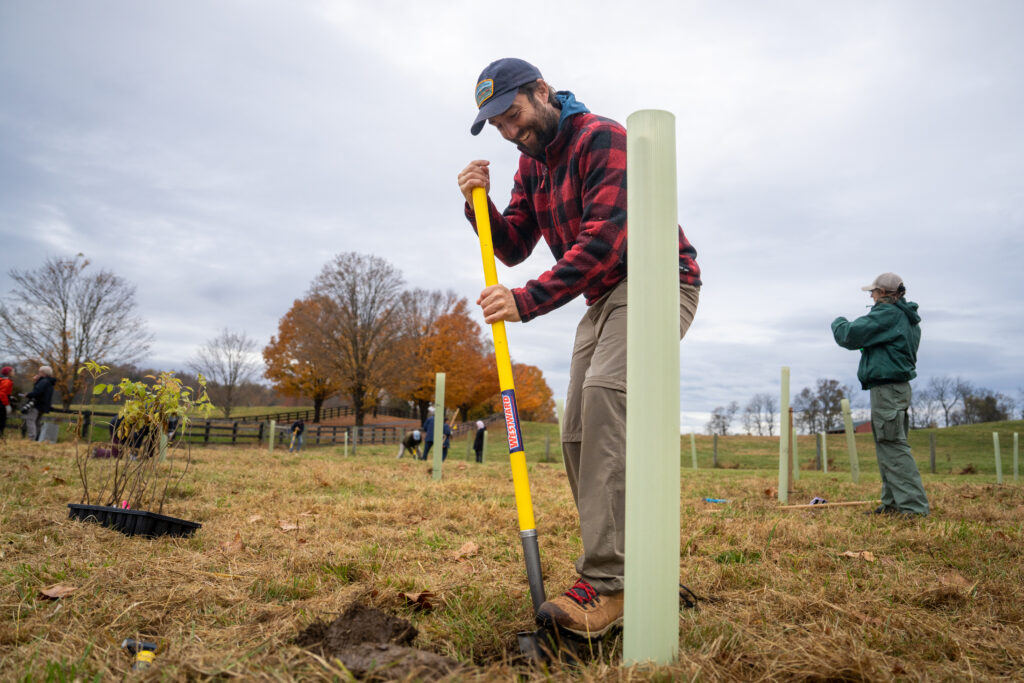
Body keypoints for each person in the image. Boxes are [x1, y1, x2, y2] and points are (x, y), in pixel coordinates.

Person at [457, 58, 701, 638]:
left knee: (603, 397)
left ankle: (612, 584)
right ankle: (632, 566)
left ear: (541, 91)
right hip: (603, 298)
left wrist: (526, 301)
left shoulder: (602, 138)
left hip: (658, 281)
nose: (512, 132)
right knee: (576, 429)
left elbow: (603, 241)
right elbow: (514, 245)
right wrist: (478, 206)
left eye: (514, 115)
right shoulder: (531, 166)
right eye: (499, 128)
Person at [832, 272, 929, 517]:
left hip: (888, 389)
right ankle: (893, 503)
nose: (871, 297)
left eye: (873, 292)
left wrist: (838, 321)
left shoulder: (887, 314)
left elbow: (849, 335)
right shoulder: (905, 318)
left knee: (892, 445)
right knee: (887, 445)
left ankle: (913, 508)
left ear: (884, 294)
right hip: (894, 389)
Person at [24, 366, 56, 442]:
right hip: (43, 405)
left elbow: (37, 392)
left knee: (30, 420)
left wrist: (28, 394)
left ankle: (32, 438)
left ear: (43, 373)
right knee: (37, 422)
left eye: (39, 372)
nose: (38, 373)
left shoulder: (43, 382)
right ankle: (38, 438)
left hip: (37, 404)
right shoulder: (50, 382)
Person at [0, 366, 13, 439]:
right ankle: (1, 435)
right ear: (8, 373)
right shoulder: (7, 381)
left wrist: (10, 397)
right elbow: (2, 393)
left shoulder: (2, 380)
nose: (14, 373)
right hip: (2, 403)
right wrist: (7, 404)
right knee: (2, 419)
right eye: (12, 371)